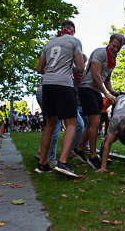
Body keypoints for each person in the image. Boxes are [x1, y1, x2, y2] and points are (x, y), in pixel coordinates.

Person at [35, 20, 85, 176]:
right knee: (71, 123)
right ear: (72, 30)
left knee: (50, 125)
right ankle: (62, 162)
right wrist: (70, 67)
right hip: (64, 84)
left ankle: (42, 164)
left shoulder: (49, 43)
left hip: (47, 85)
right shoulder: (74, 41)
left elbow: (39, 69)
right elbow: (81, 67)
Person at [72, 33, 125, 169]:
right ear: (109, 43)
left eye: (118, 48)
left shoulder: (113, 60)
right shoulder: (100, 52)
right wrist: (106, 94)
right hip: (87, 89)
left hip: (96, 91)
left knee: (92, 123)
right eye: (114, 46)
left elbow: (106, 79)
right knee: (96, 122)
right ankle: (93, 156)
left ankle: (78, 150)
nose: (115, 49)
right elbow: (96, 76)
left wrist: (113, 92)